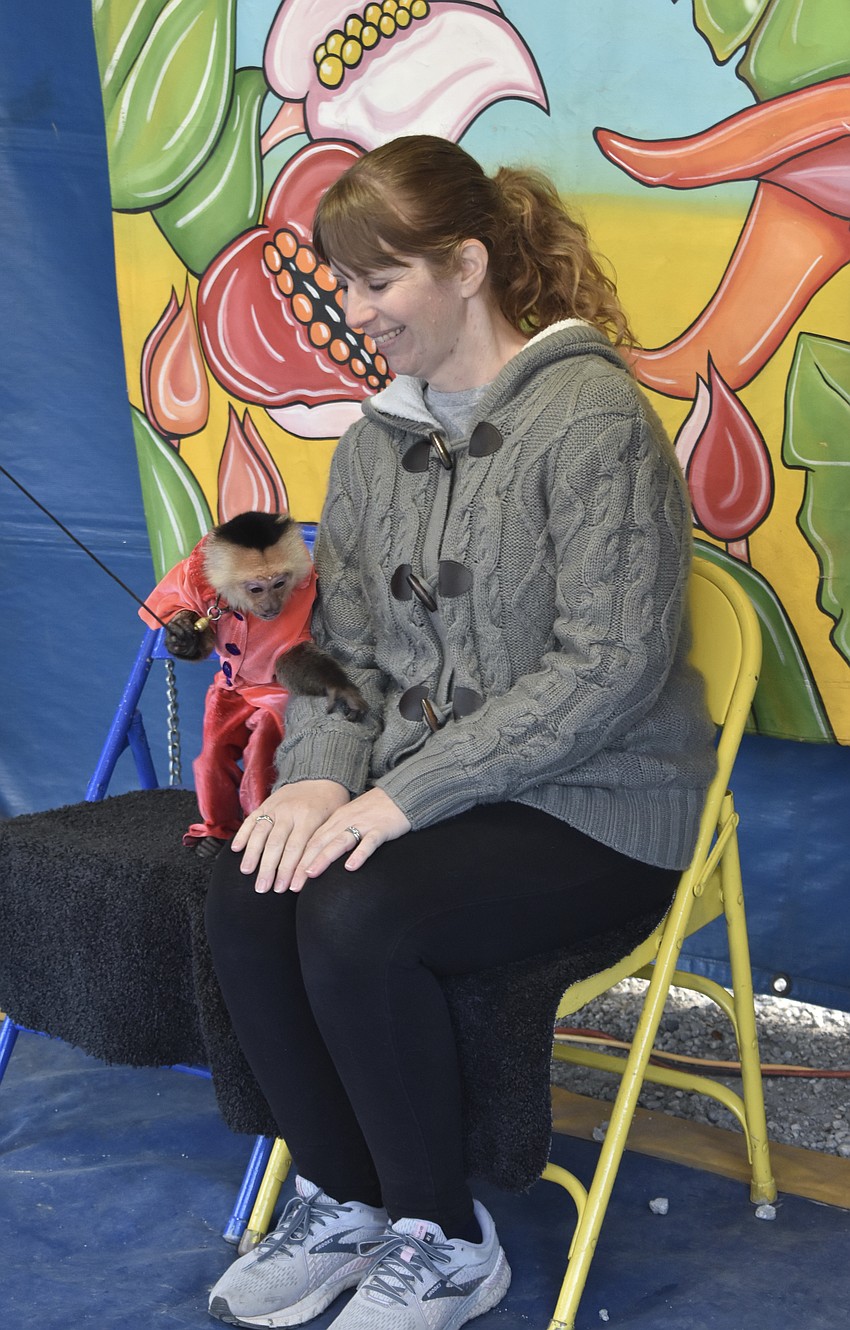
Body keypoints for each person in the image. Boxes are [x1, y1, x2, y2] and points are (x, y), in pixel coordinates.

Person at [204, 134, 716, 1330]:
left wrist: (396, 799)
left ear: (467, 265)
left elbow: (609, 668)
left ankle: (441, 1238)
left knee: (358, 910)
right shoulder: (374, 441)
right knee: (247, 887)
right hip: (441, 796)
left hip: (599, 804)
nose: (354, 310)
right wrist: (318, 780)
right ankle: (347, 1200)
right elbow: (348, 655)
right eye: (344, 283)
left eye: (377, 281)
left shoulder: (593, 418)